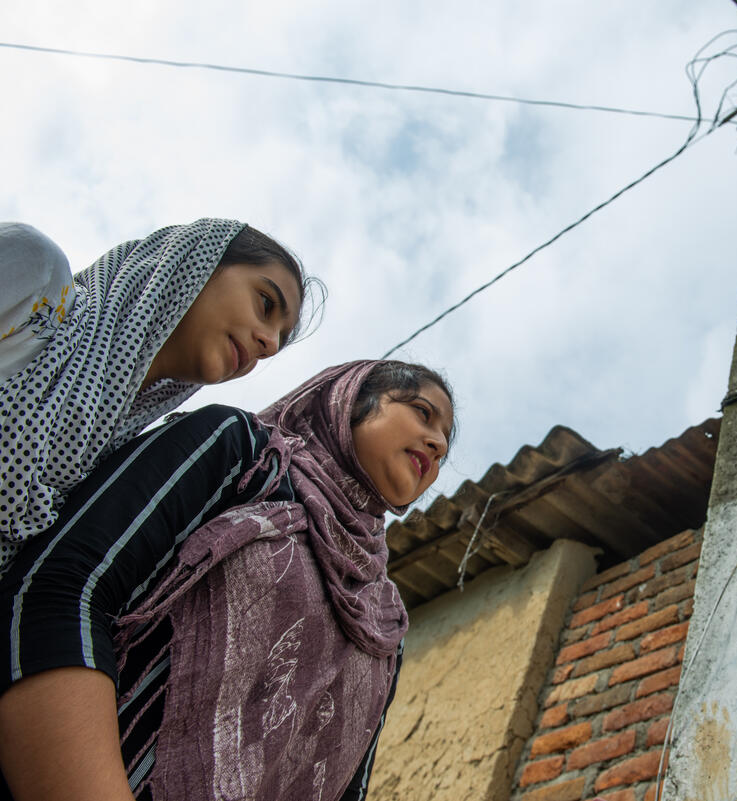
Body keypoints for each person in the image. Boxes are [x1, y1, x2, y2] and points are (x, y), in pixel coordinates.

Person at [0, 358, 454, 801]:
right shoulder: (245, 456)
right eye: (422, 412)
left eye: (445, 443)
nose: (436, 444)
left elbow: (348, 786)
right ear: (351, 399)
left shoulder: (385, 621)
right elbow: (59, 588)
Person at [0, 218, 317, 575]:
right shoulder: (37, 273)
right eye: (265, 303)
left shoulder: (117, 459)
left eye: (277, 340)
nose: (270, 344)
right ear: (201, 260)